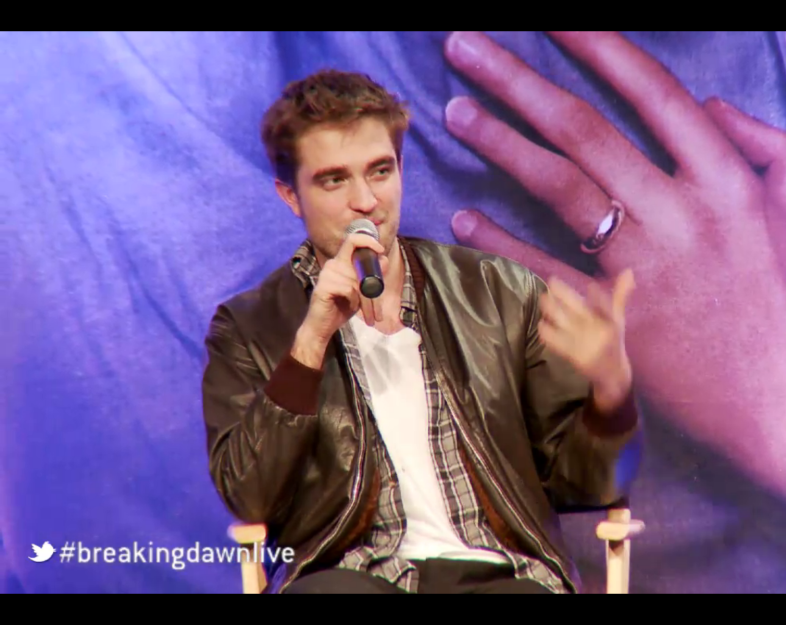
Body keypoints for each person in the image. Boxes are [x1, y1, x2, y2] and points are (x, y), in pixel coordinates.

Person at [200, 68, 643, 594]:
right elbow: (250, 496)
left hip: (502, 572)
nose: (365, 200)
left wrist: (611, 392)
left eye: (380, 171)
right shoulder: (249, 327)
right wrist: (311, 341)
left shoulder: (500, 292)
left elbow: (587, 485)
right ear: (291, 196)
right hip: (351, 577)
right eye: (334, 180)